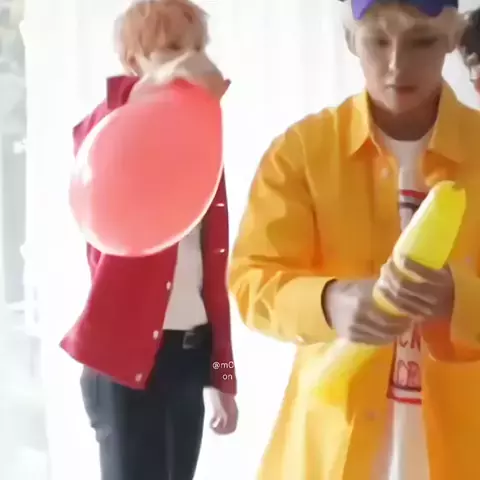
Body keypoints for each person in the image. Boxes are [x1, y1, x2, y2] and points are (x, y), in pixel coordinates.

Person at [228, 0, 480, 479]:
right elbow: (250, 282)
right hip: (330, 450)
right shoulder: (302, 151)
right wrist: (329, 302)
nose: (396, 64)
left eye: (422, 41)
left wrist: (460, 299)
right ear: (350, 40)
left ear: (451, 39)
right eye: (378, 41)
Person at [60, 1, 238, 479]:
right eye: (173, 48)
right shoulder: (112, 126)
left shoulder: (199, 150)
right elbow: (93, 136)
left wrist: (223, 379)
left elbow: (213, 280)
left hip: (188, 358)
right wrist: (155, 84)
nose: (189, 61)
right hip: (123, 364)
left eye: (196, 48)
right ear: (134, 60)